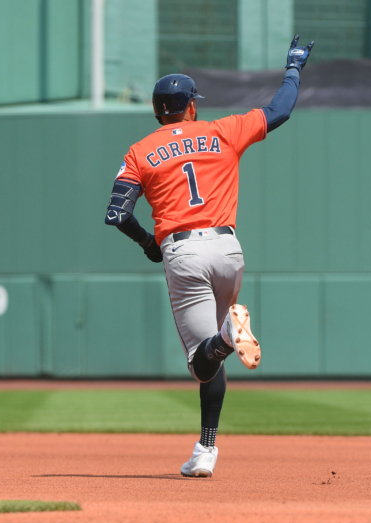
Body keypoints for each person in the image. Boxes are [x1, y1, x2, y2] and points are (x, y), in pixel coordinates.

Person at [104, 35, 313, 476]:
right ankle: (206, 449)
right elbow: (281, 110)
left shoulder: (140, 152)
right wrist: (293, 66)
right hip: (228, 249)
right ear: (191, 107)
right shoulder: (223, 130)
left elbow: (117, 214)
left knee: (203, 362)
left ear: (157, 111)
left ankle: (224, 338)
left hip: (185, 253)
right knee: (214, 355)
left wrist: (148, 244)